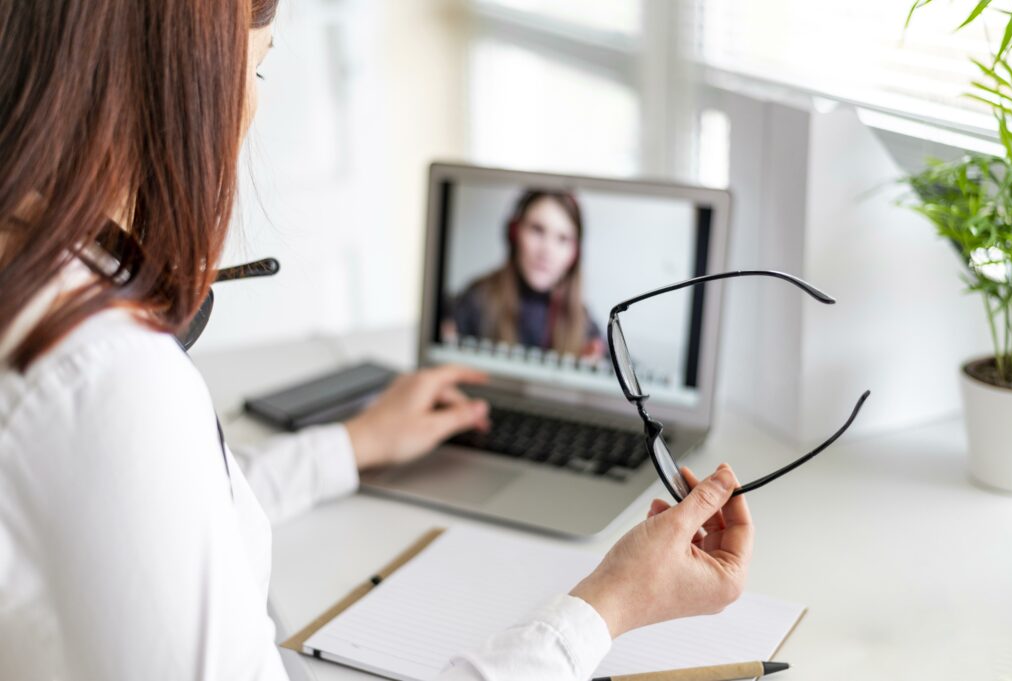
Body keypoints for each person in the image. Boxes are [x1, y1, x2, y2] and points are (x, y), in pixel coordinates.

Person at [0, 2, 754, 680]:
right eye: (256, 65)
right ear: (177, 81)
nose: (253, 105)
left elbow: (141, 517)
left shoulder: (38, 296)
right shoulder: (104, 375)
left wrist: (352, 444)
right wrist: (608, 606)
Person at [445, 190, 606, 360]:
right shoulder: (475, 301)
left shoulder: (584, 324)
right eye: (537, 230)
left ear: (574, 254)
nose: (547, 251)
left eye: (563, 239)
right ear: (514, 233)